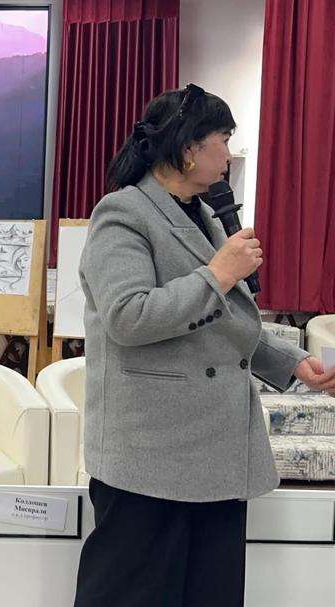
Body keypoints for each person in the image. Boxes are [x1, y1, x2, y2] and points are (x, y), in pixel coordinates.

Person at [73, 84, 335, 606]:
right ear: (189, 147)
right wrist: (217, 273)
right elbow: (128, 317)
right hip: (149, 452)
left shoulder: (207, 213)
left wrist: (292, 361)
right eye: (224, 139)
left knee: (211, 592)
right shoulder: (122, 214)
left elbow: (222, 320)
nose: (229, 154)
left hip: (216, 450)